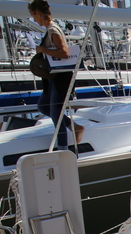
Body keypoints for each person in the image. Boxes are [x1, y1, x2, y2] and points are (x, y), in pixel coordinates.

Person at [28, 0, 84, 150]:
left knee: (55, 113)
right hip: (53, 77)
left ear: (39, 14)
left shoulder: (53, 30)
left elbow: (64, 52)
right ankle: (75, 127)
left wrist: (42, 50)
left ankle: (62, 148)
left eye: (34, 16)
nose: (34, 19)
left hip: (61, 78)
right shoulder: (50, 30)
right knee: (43, 106)